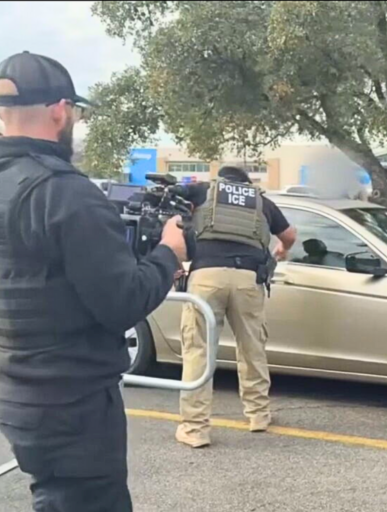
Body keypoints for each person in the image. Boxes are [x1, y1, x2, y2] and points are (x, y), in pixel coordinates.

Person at [0, 52, 187, 511]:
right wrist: (169, 253)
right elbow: (123, 300)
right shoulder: (64, 193)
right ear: (61, 110)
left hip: (20, 392)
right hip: (72, 403)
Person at [174, 166, 296, 448]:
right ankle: (258, 415)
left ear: (221, 180)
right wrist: (280, 251)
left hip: (206, 277)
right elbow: (289, 235)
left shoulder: (203, 191)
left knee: (198, 350)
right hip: (248, 279)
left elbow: (176, 225)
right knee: (252, 344)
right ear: (246, 183)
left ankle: (195, 429)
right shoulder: (260, 201)